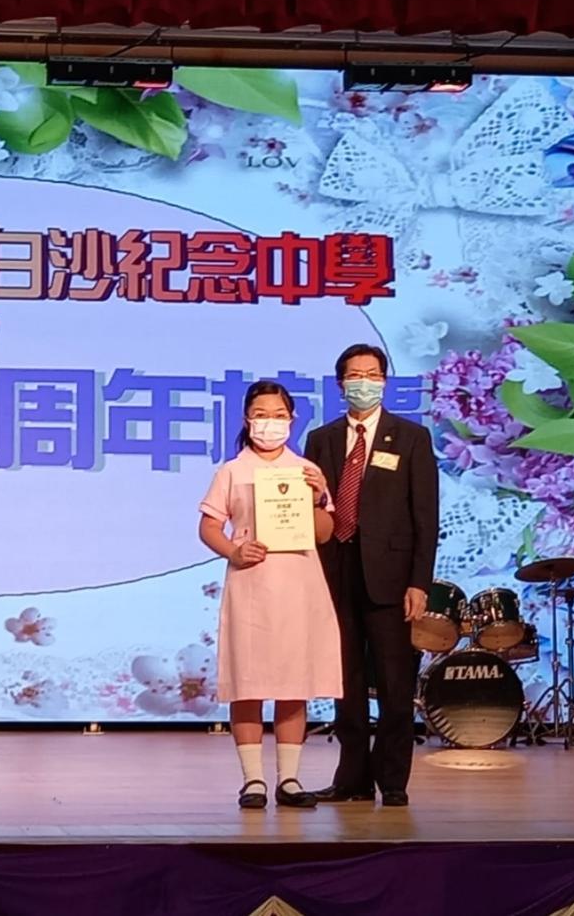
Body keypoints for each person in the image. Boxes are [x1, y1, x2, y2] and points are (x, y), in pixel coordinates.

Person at [303, 344, 438, 808]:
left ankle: (393, 780)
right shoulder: (320, 439)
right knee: (347, 685)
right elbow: (311, 509)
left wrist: (419, 581)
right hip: (336, 570)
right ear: (341, 383)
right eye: (355, 374)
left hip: (392, 577)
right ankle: (353, 780)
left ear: (384, 381)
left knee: (396, 686)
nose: (364, 381)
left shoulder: (411, 437)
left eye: (373, 374)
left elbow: (425, 517)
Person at [198, 380, 342, 810]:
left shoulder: (305, 469)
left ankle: (290, 779)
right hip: (252, 585)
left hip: (299, 584)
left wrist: (318, 495)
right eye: (261, 415)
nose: (270, 423)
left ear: (292, 419)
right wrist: (233, 551)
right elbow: (208, 526)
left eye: (279, 415)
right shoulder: (232, 471)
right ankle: (253, 780)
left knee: (293, 681)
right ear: (247, 419)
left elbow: (325, 533)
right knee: (248, 682)